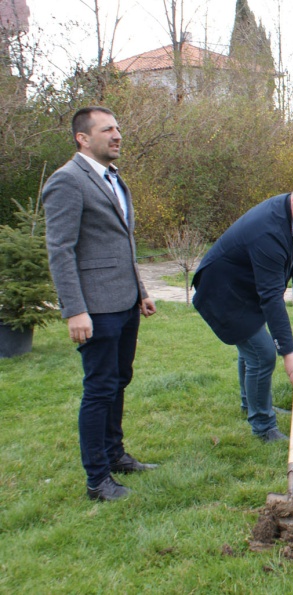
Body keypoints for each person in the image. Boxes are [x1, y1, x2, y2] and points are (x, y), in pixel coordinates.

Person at [43, 106, 158, 502]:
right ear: (82, 137)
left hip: (124, 302)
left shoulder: (114, 179)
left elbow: (121, 243)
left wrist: (141, 291)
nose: (117, 135)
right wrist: (74, 309)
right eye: (107, 129)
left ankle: (115, 455)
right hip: (95, 307)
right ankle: (97, 479)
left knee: (118, 381)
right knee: (99, 389)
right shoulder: (67, 182)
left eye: (118, 128)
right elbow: (60, 250)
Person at [192, 174, 293, 442]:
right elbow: (271, 296)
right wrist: (289, 352)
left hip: (246, 289)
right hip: (223, 293)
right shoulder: (268, 229)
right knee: (262, 353)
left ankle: (253, 404)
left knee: (253, 353)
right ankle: (263, 425)